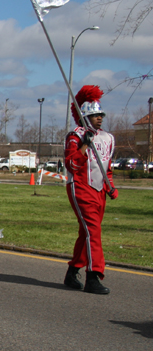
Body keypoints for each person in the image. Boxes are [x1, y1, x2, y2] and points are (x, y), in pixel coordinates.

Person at [63, 86, 117, 295]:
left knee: (86, 232)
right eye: (94, 115)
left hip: (99, 190)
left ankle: (72, 272)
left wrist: (111, 186)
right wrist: (84, 146)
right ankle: (93, 276)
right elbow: (72, 165)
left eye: (101, 114)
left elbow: (106, 167)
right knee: (93, 232)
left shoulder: (108, 138)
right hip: (81, 188)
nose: (99, 118)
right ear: (84, 116)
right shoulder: (75, 136)